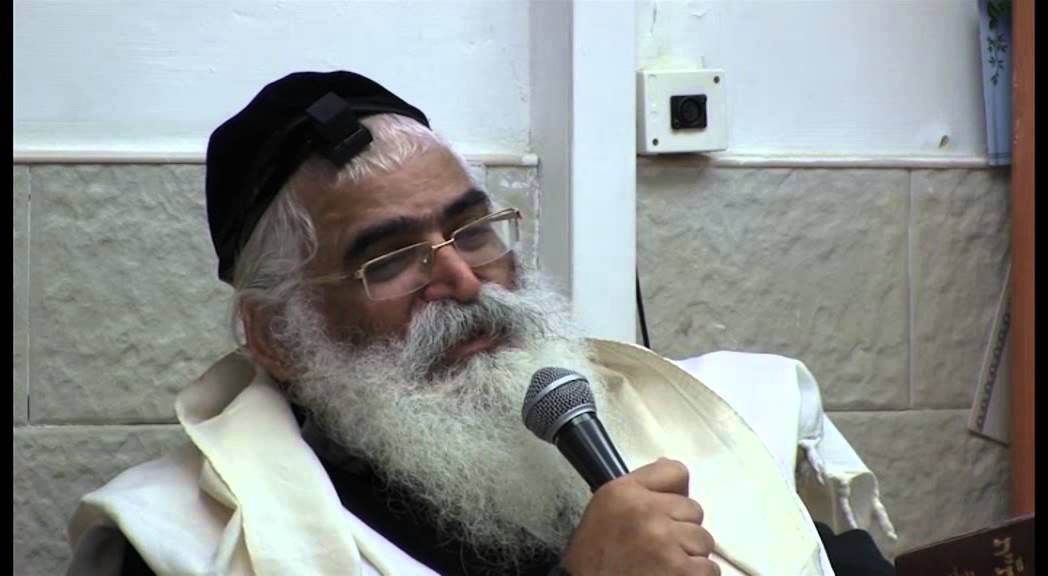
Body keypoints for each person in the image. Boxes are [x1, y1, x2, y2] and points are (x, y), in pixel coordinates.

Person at [66, 71, 897, 576]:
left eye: (473, 231)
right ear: (279, 337)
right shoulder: (185, 542)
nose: (464, 280)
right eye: (390, 259)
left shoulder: (690, 421)